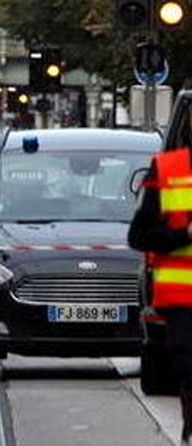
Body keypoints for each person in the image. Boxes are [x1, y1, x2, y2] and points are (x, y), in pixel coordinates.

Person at [130, 135, 192, 443]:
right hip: (183, 302)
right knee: (188, 368)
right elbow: (138, 235)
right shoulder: (169, 169)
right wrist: (185, 234)